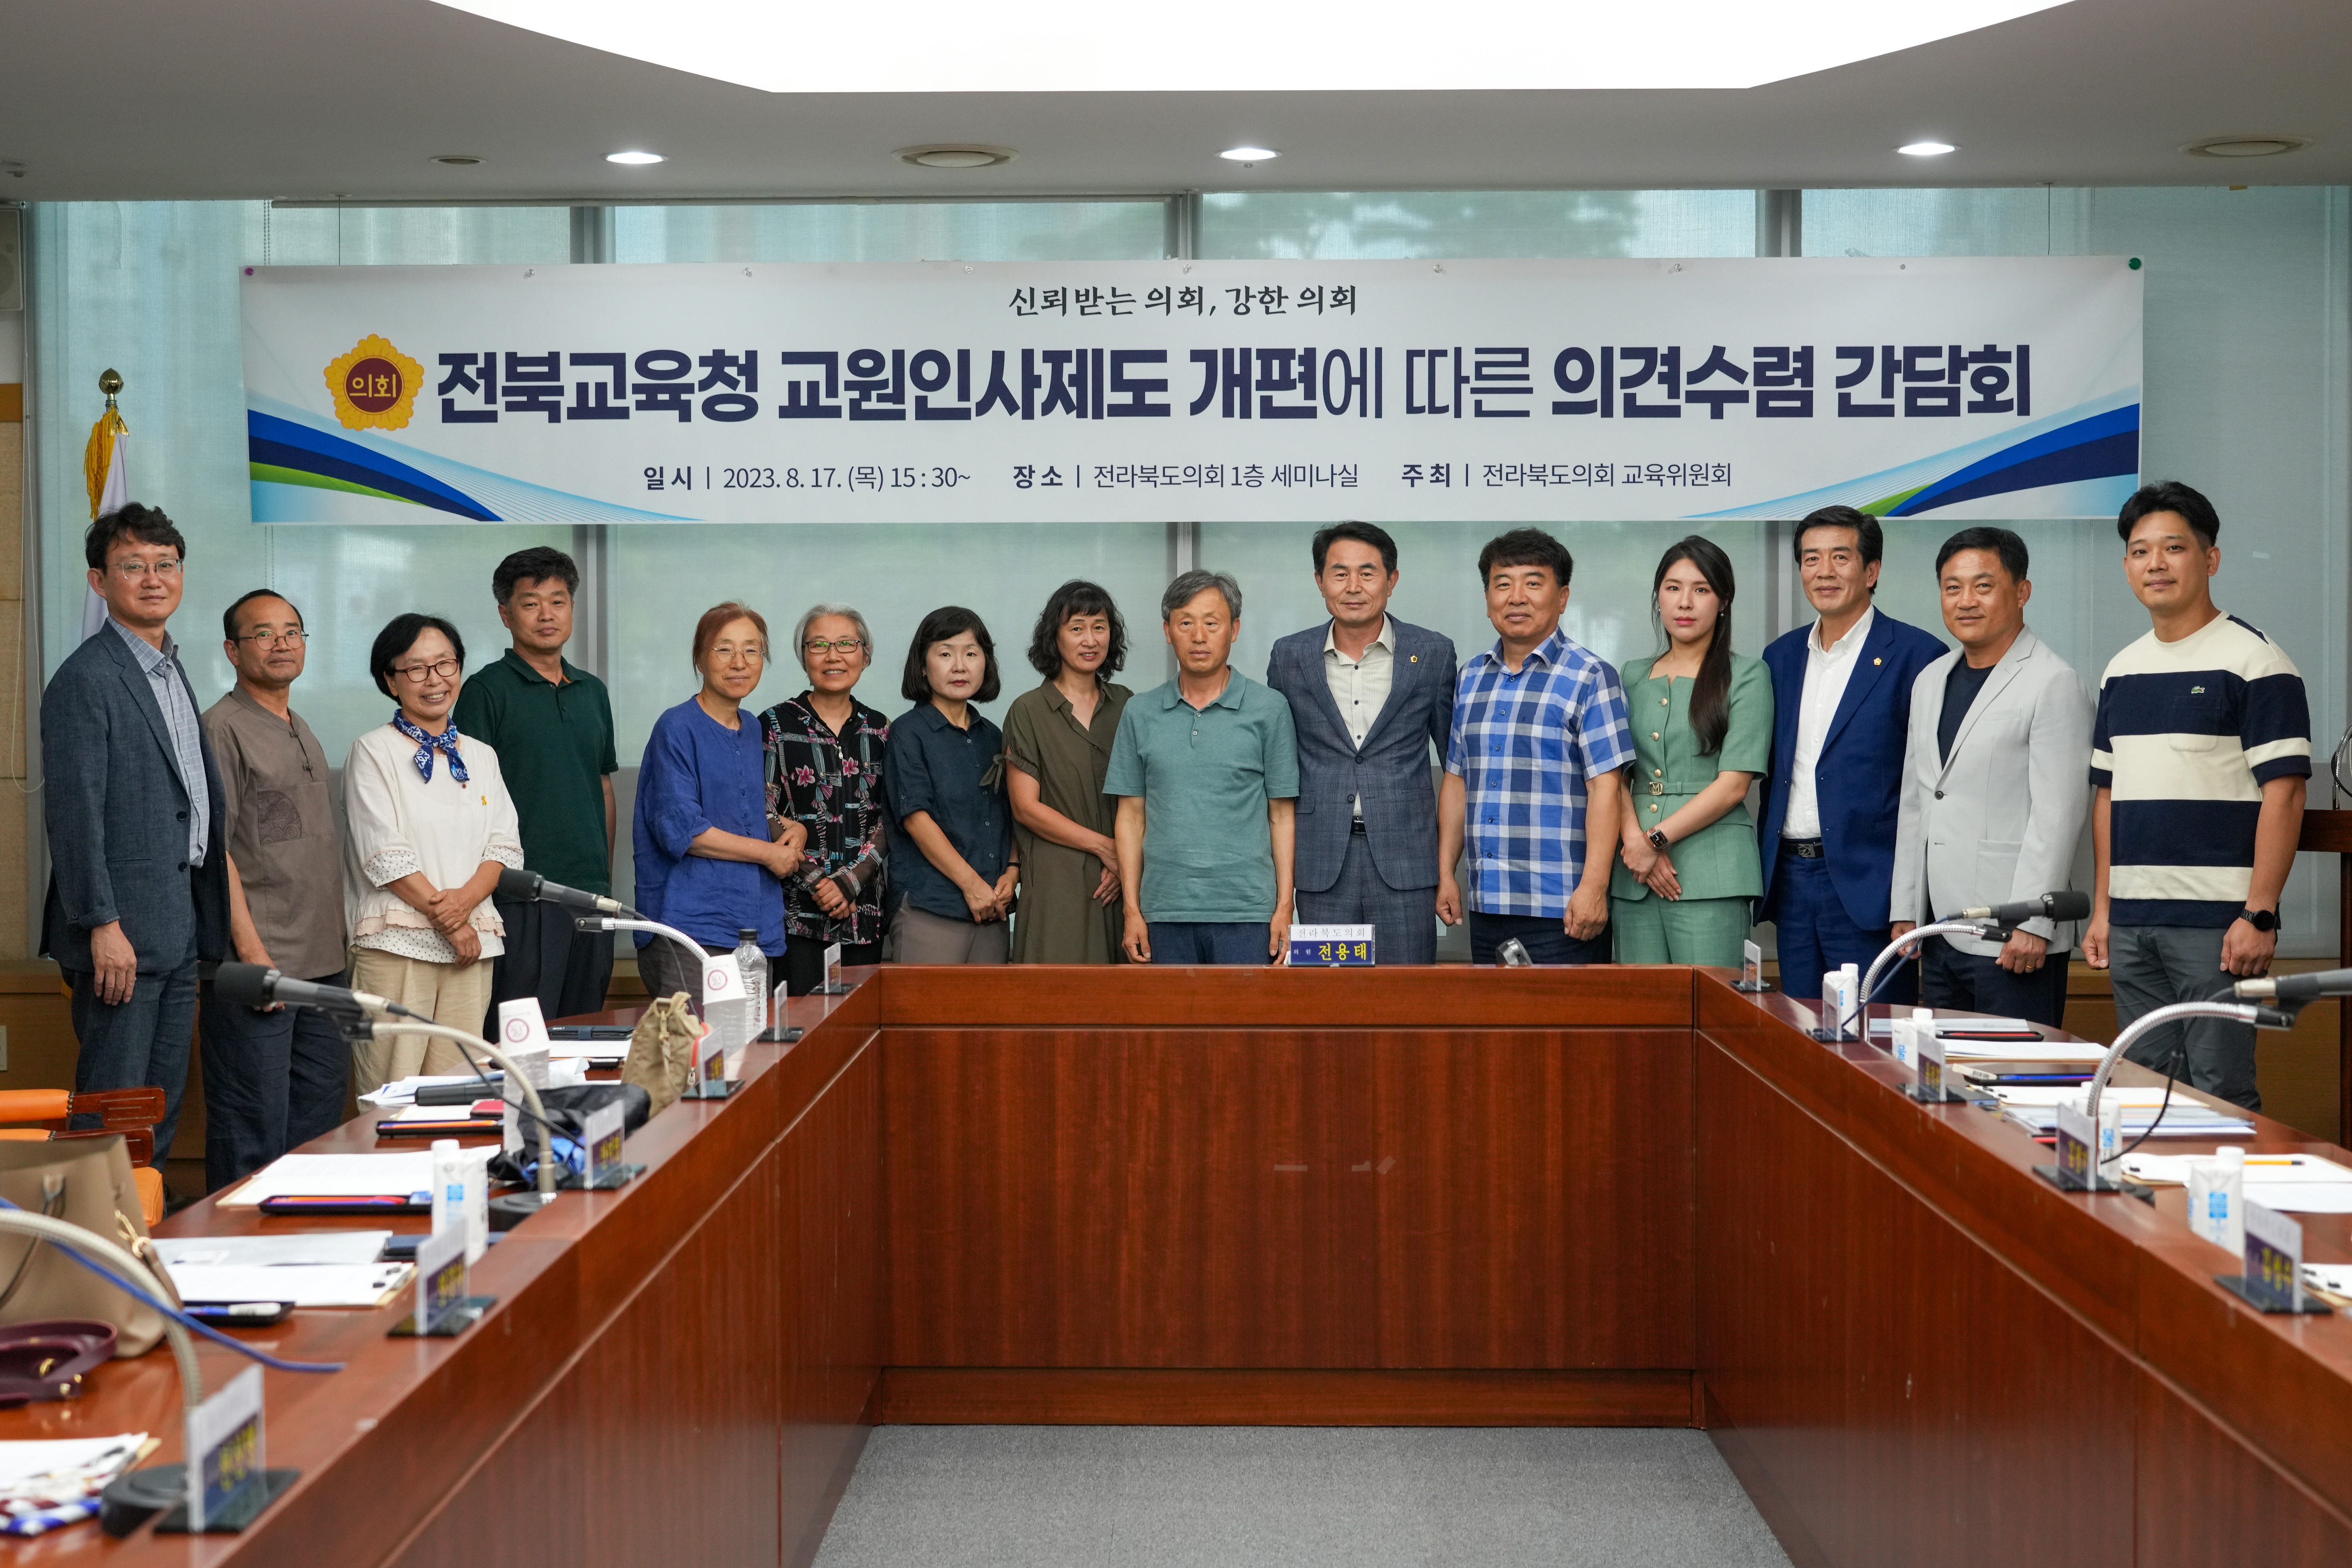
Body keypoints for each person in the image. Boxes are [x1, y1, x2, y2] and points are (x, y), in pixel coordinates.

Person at [2085, 482, 2309, 1110]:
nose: (2154, 564)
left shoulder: (2256, 662)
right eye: (2139, 551)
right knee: (2141, 1092)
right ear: (2126, 566)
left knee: (2219, 1094)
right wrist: (2102, 909)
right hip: (2131, 924)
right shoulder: (2120, 670)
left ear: (2210, 559)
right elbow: (2106, 797)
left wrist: (2259, 914)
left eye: (2173, 548)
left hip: (2216, 927)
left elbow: (2285, 795)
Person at [40, 504, 228, 1164]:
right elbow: (74, 815)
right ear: (99, 581)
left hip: (176, 926)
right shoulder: (86, 679)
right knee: (112, 1106)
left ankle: (142, 1216)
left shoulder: (170, 668)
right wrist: (101, 923)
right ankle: (96, 1226)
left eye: (165, 564)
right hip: (118, 934)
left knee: (157, 1107)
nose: (154, 578)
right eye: (133, 566)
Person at [1890, 528, 2092, 1028]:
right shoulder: (1930, 680)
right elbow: (1918, 800)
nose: (1966, 601)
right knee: (1944, 1068)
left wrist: (2034, 921)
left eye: (1983, 586)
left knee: (2013, 1070)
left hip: (2014, 935)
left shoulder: (2053, 681)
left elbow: (2059, 815)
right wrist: (1907, 909)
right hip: (1941, 928)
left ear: (2022, 592)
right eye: (1952, 587)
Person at [1756, 506, 1946, 1001]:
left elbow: (1930, 789)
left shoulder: (1919, 655)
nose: (1824, 571)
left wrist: (1911, 899)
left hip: (1872, 887)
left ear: (1872, 570)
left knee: (1873, 1034)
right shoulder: (1780, 657)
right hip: (1792, 882)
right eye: (1811, 558)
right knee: (1801, 1027)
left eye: (1840, 557)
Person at [197, 589, 349, 1190]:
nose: (282, 643)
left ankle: (304, 1237)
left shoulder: (300, 725)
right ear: (233, 651)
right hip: (260, 965)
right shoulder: (222, 729)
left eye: (292, 631)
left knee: (317, 1129)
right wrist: (253, 954)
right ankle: (235, 1243)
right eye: (263, 633)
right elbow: (216, 853)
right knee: (251, 1129)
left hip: (324, 965)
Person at [342, 614, 525, 1094]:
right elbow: (385, 853)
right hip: (396, 945)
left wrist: (464, 908)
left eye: (445, 664)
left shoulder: (481, 755)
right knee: (392, 1092)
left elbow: (504, 846)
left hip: (473, 947)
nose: (435, 680)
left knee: (459, 1093)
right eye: (417, 668)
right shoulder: (373, 750)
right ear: (391, 680)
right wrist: (453, 921)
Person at [1266, 523, 1458, 965]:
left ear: (1392, 580)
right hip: (1320, 861)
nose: (1353, 586)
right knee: (1326, 993)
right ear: (1320, 581)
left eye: (1367, 573)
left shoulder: (1433, 652)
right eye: (1340, 573)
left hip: (1407, 863)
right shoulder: (1290, 655)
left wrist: (1447, 868)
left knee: (1406, 992)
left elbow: (1456, 766)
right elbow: (1277, 764)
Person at [1438, 528, 1632, 965]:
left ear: (1562, 598)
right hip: (1487, 903)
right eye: (1503, 584)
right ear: (1488, 598)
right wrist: (1446, 873)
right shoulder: (1470, 677)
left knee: (1564, 1015)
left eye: (1533, 583)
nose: (1516, 597)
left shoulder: (1591, 676)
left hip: (1563, 908)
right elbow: (1457, 780)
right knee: (1491, 1013)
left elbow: (1606, 789)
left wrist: (1594, 887)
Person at [451, 546, 619, 1023]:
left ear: (572, 608)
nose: (547, 614)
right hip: (520, 897)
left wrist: (601, 878)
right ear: (506, 614)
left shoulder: (593, 691)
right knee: (522, 1036)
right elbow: (466, 800)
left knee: (584, 1030)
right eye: (531, 603)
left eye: (558, 601)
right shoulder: (486, 691)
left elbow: (603, 785)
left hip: (590, 896)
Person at [1108, 570, 1299, 965]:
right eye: (1186, 623)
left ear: (1234, 630)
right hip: (1163, 911)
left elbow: (1282, 815)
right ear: (1168, 631)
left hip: (1249, 913)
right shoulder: (1140, 712)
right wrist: (1132, 910)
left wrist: (1285, 907)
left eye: (1212, 623)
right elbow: (1130, 817)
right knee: (1168, 1011)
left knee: (1246, 1010)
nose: (1199, 636)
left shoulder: (1269, 709)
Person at [1609, 536, 1773, 968]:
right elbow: (1615, 773)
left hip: (1712, 872)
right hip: (1633, 871)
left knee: (1710, 1003)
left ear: (1723, 601)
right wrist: (1635, 842)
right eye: (1673, 588)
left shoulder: (1747, 675)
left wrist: (1655, 840)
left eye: (1701, 589)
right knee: (1642, 1005)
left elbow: (1733, 786)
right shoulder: (1631, 675)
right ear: (1659, 597)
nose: (1685, 602)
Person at [635, 603, 805, 1001]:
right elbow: (684, 831)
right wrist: (769, 853)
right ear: (700, 658)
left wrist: (789, 827)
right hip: (691, 924)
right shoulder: (676, 726)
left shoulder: (753, 727)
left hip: (753, 924)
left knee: (752, 1040)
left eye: (752, 650)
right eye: (724, 649)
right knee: (697, 1040)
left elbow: (741, 810)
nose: (739, 662)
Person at [762, 605, 892, 994]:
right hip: (796, 917)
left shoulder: (881, 729)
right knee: (798, 1026)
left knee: (859, 1027)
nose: (833, 656)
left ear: (865, 655)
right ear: (804, 656)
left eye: (846, 644)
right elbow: (761, 810)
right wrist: (819, 883)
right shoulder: (774, 725)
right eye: (819, 645)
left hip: (864, 915)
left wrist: (850, 883)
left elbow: (893, 816)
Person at [1004, 582, 1133, 963]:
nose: (1090, 640)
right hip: (1057, 882)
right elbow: (1026, 808)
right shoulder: (1028, 710)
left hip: (1121, 883)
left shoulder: (1128, 705)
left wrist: (1125, 864)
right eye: (1077, 628)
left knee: (1124, 992)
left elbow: (1148, 797)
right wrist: (1106, 848)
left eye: (1099, 627)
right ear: (1054, 637)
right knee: (1057, 991)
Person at [885, 607, 1018, 964]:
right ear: (922, 665)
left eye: (971, 654)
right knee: (927, 1004)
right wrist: (973, 887)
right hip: (932, 908)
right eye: (945, 654)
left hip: (993, 910)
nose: (960, 666)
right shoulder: (908, 732)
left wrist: (1013, 871)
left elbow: (1012, 814)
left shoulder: (994, 736)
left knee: (989, 1004)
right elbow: (916, 819)